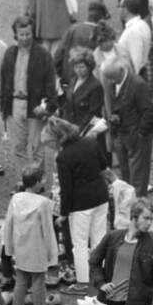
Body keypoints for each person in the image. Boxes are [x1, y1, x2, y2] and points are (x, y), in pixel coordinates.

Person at [49, 116, 108, 293]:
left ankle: (83, 282)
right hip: (100, 195)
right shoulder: (91, 142)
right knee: (99, 239)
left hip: (81, 204)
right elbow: (104, 165)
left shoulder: (63, 157)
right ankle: (101, 276)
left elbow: (66, 190)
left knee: (80, 245)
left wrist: (64, 214)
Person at [0, 16, 59, 176]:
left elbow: (50, 83)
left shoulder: (43, 54)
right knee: (18, 147)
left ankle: (37, 183)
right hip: (15, 105)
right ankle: (23, 181)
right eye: (22, 34)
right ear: (16, 35)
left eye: (28, 34)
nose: (25, 38)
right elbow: (4, 80)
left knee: (36, 148)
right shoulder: (10, 53)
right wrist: (3, 107)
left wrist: (47, 106)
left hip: (35, 106)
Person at [0, 164, 58, 305]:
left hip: (20, 245)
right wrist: (52, 252)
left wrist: (8, 246)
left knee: (21, 281)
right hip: (37, 247)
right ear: (37, 183)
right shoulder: (44, 203)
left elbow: (9, 223)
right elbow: (48, 229)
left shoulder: (16, 198)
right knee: (39, 282)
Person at [102, 57, 153, 198]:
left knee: (138, 178)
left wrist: (141, 134)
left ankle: (138, 207)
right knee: (125, 176)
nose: (111, 81)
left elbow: (149, 111)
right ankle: (127, 207)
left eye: (113, 78)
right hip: (120, 135)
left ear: (121, 71)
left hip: (136, 136)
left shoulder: (138, 84)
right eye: (108, 78)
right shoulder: (111, 82)